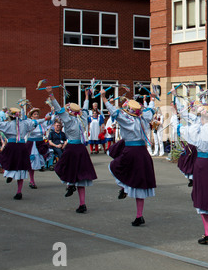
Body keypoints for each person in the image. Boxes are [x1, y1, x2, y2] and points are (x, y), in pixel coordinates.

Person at [172, 97, 208, 244]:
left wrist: (175, 115)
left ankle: (207, 233)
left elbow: (179, 129)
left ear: (201, 116)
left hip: (203, 164)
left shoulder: (197, 130)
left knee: (202, 197)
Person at [100, 90, 157, 226]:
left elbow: (114, 112)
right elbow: (150, 109)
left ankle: (124, 188)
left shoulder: (127, 119)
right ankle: (139, 215)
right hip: (143, 154)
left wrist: (104, 98)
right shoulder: (144, 117)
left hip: (131, 152)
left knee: (114, 167)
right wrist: (152, 98)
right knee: (140, 185)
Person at [46, 86, 98, 213]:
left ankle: (70, 186)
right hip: (81, 149)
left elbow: (58, 109)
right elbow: (85, 107)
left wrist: (51, 94)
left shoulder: (68, 120)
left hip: (71, 148)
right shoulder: (84, 117)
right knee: (80, 176)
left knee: (62, 168)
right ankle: (81, 202)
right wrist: (86, 96)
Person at [0, 108, 50, 199]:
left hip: (11, 146)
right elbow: (36, 122)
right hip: (21, 147)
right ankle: (19, 191)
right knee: (21, 167)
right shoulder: (25, 123)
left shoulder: (7, 124)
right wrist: (46, 119)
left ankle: (10, 175)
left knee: (7, 161)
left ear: (10, 116)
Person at [25, 107, 54, 189]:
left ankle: (42, 167)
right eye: (34, 114)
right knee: (32, 162)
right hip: (32, 144)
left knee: (43, 157)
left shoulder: (42, 123)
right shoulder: (30, 123)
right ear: (31, 116)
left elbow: (50, 122)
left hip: (40, 142)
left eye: (37, 114)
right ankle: (32, 181)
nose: (36, 115)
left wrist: (52, 112)